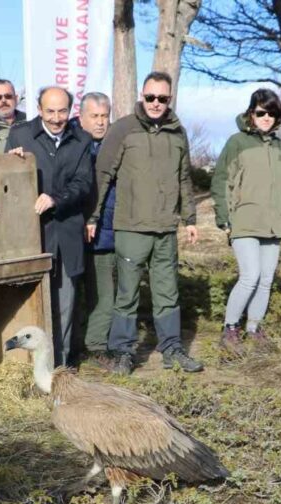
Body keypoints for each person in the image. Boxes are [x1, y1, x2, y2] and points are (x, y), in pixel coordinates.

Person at [92, 71, 202, 375]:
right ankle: (123, 353)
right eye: (150, 97)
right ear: (142, 95)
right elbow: (103, 175)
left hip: (166, 228)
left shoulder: (177, 133)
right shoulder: (123, 129)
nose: (156, 103)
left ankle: (172, 350)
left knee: (168, 293)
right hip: (130, 227)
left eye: (162, 98)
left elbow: (184, 178)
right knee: (126, 294)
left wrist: (190, 218)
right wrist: (93, 216)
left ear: (170, 99)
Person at [6, 86, 93, 366]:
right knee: (32, 301)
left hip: (67, 232)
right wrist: (11, 163)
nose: (57, 118)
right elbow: (4, 183)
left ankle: (61, 368)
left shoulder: (82, 140)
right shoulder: (20, 135)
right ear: (39, 109)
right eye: (50, 111)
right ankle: (28, 369)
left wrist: (55, 199)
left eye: (63, 111)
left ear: (71, 110)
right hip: (32, 235)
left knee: (65, 304)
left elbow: (83, 184)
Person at [212, 89, 281, 348]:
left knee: (265, 279)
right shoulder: (236, 142)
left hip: (272, 224)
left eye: (272, 113)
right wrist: (224, 217)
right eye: (261, 112)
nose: (266, 118)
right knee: (250, 276)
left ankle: (253, 329)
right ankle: (230, 329)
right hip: (245, 221)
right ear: (251, 113)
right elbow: (221, 181)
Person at [76, 92, 116, 366]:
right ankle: (72, 344)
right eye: (95, 116)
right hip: (72, 233)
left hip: (105, 234)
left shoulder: (116, 145)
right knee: (71, 295)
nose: (101, 122)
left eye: (105, 116)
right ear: (81, 118)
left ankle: (96, 346)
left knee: (103, 293)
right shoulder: (71, 145)